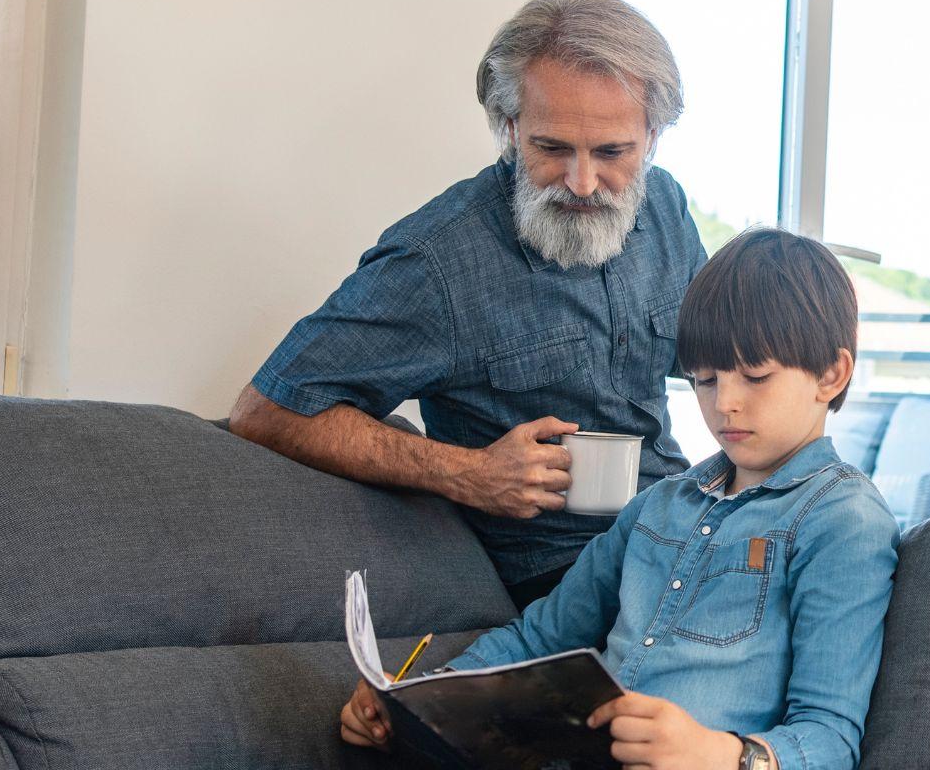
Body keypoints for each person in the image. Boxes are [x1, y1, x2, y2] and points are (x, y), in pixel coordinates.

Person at [338, 229, 900, 770]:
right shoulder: (657, 508)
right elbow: (540, 638)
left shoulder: (842, 519)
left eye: (755, 377)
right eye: (704, 380)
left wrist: (720, 755)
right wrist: (419, 701)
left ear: (831, 375)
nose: (725, 403)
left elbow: (830, 737)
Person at [228, 0, 707, 608]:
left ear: (653, 133)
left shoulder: (663, 205)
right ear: (508, 128)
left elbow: (714, 363)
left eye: (613, 152)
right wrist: (469, 473)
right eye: (551, 148)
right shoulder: (435, 261)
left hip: (679, 533)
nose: (583, 183)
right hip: (560, 577)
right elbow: (267, 411)